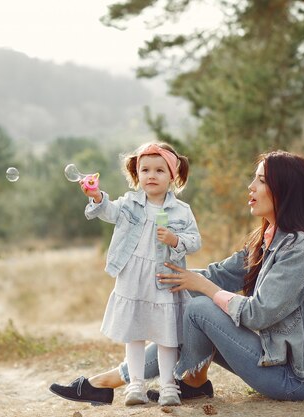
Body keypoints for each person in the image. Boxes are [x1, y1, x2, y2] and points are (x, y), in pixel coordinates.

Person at [49, 150, 304, 404]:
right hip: (274, 358)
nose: (250, 187)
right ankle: (191, 383)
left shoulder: (298, 250)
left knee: (199, 307)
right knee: (189, 296)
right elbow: (219, 274)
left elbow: (258, 315)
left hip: (299, 379)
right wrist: (161, 280)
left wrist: (201, 286)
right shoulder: (268, 238)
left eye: (261, 181)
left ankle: (114, 382)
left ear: (284, 190)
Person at [51, 142, 201, 406]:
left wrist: (176, 240)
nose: (151, 175)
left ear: (173, 176)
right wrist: (97, 196)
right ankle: (136, 386)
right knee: (134, 333)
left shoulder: (181, 210)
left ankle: (169, 387)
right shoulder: (130, 202)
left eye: (159, 170)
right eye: (145, 170)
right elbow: (109, 212)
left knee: (166, 335)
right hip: (133, 276)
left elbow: (195, 241)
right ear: (136, 174)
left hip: (163, 278)